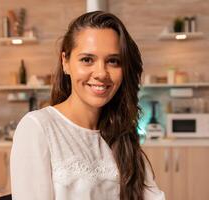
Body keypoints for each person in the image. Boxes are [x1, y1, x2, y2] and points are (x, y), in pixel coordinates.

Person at [10, 11, 165, 200]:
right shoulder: (38, 128)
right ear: (65, 62)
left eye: (113, 61)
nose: (101, 73)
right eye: (87, 60)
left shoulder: (123, 134)